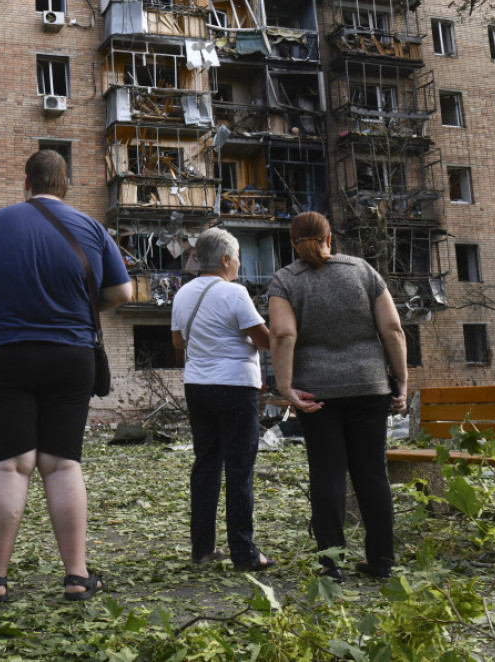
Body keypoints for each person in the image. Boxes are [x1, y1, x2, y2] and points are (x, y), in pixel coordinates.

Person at [0, 149, 133, 602]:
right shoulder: (91, 227)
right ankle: (76, 575)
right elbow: (122, 291)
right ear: (66, 185)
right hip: (69, 354)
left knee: (9, 464)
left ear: (27, 183)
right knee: (62, 463)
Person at [268, 211, 407, 582]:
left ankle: (331, 566)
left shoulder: (285, 280)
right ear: (330, 237)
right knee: (371, 475)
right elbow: (392, 328)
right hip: (368, 385)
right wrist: (402, 381)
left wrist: (285, 387)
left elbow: (282, 335)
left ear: (293, 242)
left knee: (327, 475)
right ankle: (381, 562)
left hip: (317, 392)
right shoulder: (362, 270)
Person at [170, 228, 273, 571]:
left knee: (206, 465)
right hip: (235, 387)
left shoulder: (183, 294)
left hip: (197, 387)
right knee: (240, 468)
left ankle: (202, 549)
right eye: (238, 257)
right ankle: (244, 553)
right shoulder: (235, 293)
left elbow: (177, 343)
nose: (240, 264)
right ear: (226, 259)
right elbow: (264, 341)